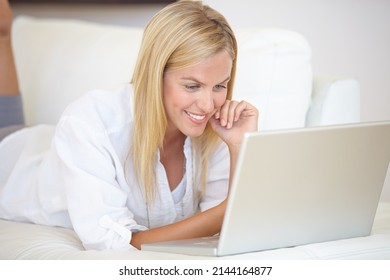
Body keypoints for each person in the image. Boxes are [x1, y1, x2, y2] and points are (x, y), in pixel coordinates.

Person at [0, 0, 258, 250]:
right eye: (192, 86)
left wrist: (239, 146)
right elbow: (112, 242)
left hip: (39, 141)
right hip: (9, 160)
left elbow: (231, 228)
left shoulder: (216, 128)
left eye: (219, 86)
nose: (207, 105)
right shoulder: (91, 122)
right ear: (155, 75)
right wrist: (225, 212)